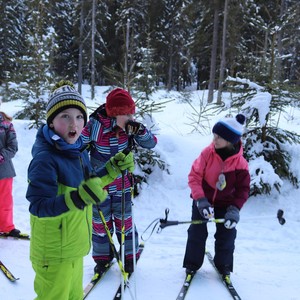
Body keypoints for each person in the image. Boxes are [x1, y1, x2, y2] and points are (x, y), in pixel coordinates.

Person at [26, 81, 134, 300]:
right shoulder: (45, 159)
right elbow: (39, 206)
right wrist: (77, 198)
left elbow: (90, 185)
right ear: (52, 122)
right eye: (64, 116)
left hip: (74, 248)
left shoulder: (77, 151)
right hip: (54, 254)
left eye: (79, 117)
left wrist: (112, 168)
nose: (73, 123)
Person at [81, 87, 157, 274]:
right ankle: (102, 258)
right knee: (100, 225)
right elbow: (77, 146)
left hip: (122, 186)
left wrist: (140, 131)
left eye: (132, 113)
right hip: (100, 188)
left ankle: (130, 257)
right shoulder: (95, 126)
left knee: (125, 223)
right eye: (128, 114)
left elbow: (151, 143)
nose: (132, 117)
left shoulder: (130, 128)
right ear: (116, 113)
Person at [183, 114, 250, 283]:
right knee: (196, 232)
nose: (215, 139)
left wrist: (235, 209)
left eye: (219, 137)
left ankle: (224, 266)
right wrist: (200, 200)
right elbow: (194, 177)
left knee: (227, 235)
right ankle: (192, 264)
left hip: (226, 204)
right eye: (214, 135)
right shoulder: (207, 153)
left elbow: (243, 189)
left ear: (230, 140)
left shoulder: (240, 163)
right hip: (203, 201)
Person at [0, 104, 20, 237]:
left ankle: (7, 226)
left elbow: (13, 147)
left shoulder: (6, 125)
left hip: (4, 171)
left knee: (5, 200)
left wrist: (1, 156)